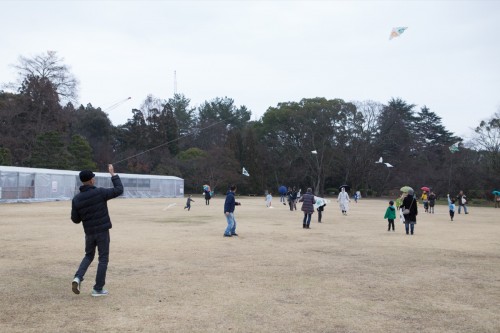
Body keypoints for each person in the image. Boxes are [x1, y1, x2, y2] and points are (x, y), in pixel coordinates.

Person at [71, 164, 124, 297]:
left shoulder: (76, 199)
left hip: (89, 233)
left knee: (88, 256)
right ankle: (98, 289)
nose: (94, 180)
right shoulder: (100, 192)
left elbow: (75, 220)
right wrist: (113, 174)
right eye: (93, 178)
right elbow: (119, 189)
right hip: (102, 231)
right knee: (103, 258)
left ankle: (78, 278)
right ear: (90, 180)